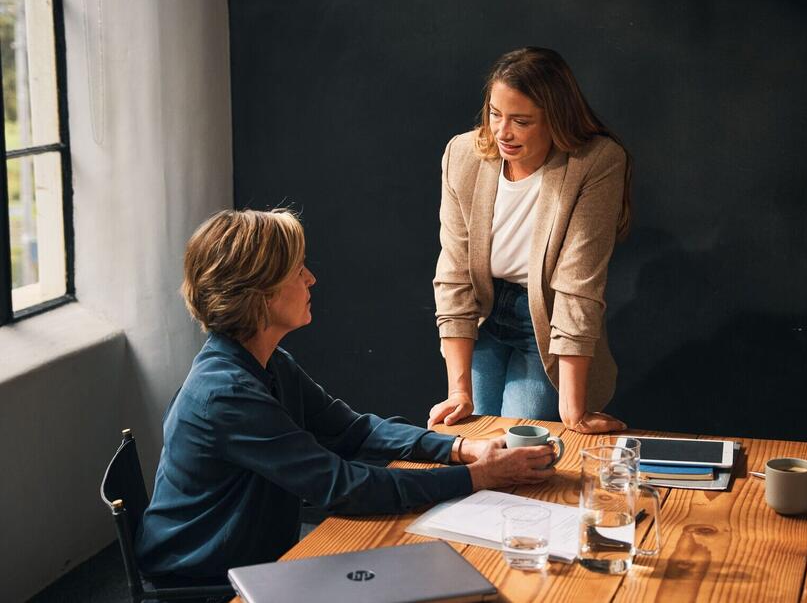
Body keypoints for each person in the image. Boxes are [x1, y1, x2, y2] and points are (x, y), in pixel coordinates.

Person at [135, 209, 556, 584]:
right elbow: (343, 487)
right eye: (298, 269)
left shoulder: (266, 361)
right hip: (205, 578)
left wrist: (464, 449)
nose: (310, 278)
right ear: (261, 294)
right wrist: (478, 477)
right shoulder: (227, 396)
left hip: (252, 555)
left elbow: (354, 431)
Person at [428, 47, 631, 434]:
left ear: (555, 119)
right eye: (494, 113)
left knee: (516, 440)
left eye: (521, 121)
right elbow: (453, 274)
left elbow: (578, 286)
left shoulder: (596, 162)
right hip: (485, 313)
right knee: (473, 435)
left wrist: (573, 408)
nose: (502, 132)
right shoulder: (462, 155)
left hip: (546, 322)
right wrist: (458, 391)